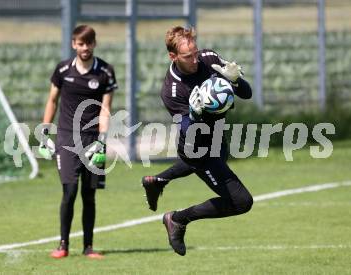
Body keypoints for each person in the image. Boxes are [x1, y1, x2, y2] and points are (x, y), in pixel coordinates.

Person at [141, 26, 253, 256]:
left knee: (219, 160)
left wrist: (236, 80)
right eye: (187, 56)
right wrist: (195, 112)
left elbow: (247, 93)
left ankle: (159, 180)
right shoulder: (172, 89)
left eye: (195, 52)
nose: (195, 60)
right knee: (241, 201)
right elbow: (187, 129)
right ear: (173, 56)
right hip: (196, 146)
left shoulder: (209, 58)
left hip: (216, 136)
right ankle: (177, 219)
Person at [38, 25, 117, 259]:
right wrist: (44, 132)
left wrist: (102, 140)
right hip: (66, 137)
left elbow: (106, 108)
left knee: (89, 194)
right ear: (74, 44)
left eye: (88, 43)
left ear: (94, 44)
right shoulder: (62, 70)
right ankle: (63, 245)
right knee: (69, 191)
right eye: (80, 44)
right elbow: (52, 100)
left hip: (92, 139)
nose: (84, 48)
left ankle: (88, 247)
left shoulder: (105, 71)